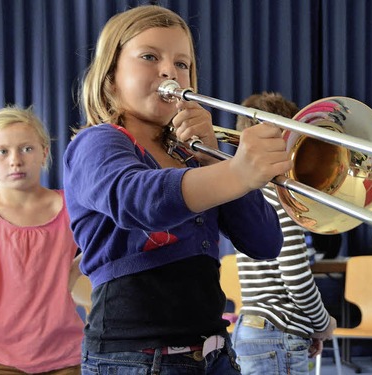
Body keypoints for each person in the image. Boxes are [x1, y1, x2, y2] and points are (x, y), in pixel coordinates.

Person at [63, 5, 291, 374]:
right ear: (111, 76)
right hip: (133, 358)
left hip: (215, 353)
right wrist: (236, 172)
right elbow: (139, 199)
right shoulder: (96, 143)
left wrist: (214, 157)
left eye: (182, 64)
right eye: (149, 57)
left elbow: (265, 242)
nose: (169, 71)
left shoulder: (193, 155)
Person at [0, 106, 84, 374]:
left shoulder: (72, 205)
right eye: (2, 151)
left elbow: (113, 238)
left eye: (26, 149)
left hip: (65, 351)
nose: (15, 160)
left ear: (44, 152)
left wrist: (75, 269)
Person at [230, 92, 337, 375]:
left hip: (255, 326)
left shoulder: (249, 194)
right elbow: (296, 278)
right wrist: (323, 324)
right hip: (277, 333)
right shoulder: (279, 195)